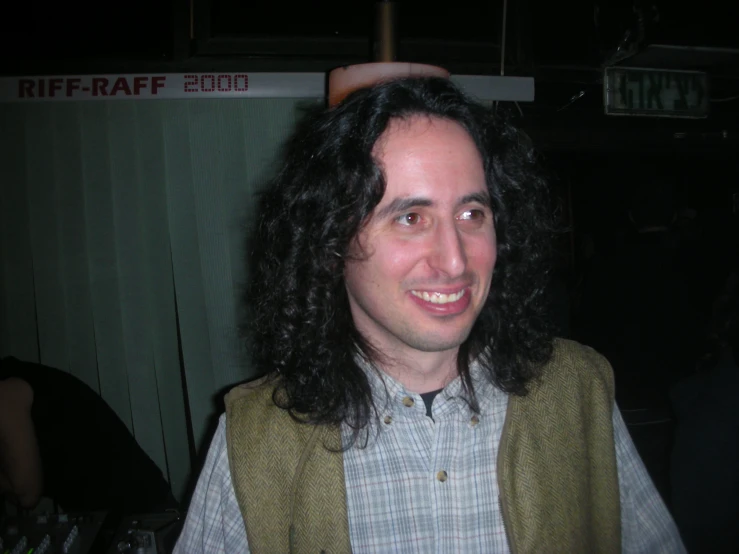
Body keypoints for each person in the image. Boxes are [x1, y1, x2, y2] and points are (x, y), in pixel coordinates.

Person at [175, 77, 685, 552]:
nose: (455, 260)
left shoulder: (580, 393)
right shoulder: (257, 439)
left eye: (471, 214)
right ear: (329, 242)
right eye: (411, 217)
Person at [0, 356, 178, 516]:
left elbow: (25, 492)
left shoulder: (6, 389)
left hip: (138, 515)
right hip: (120, 515)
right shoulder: (19, 379)